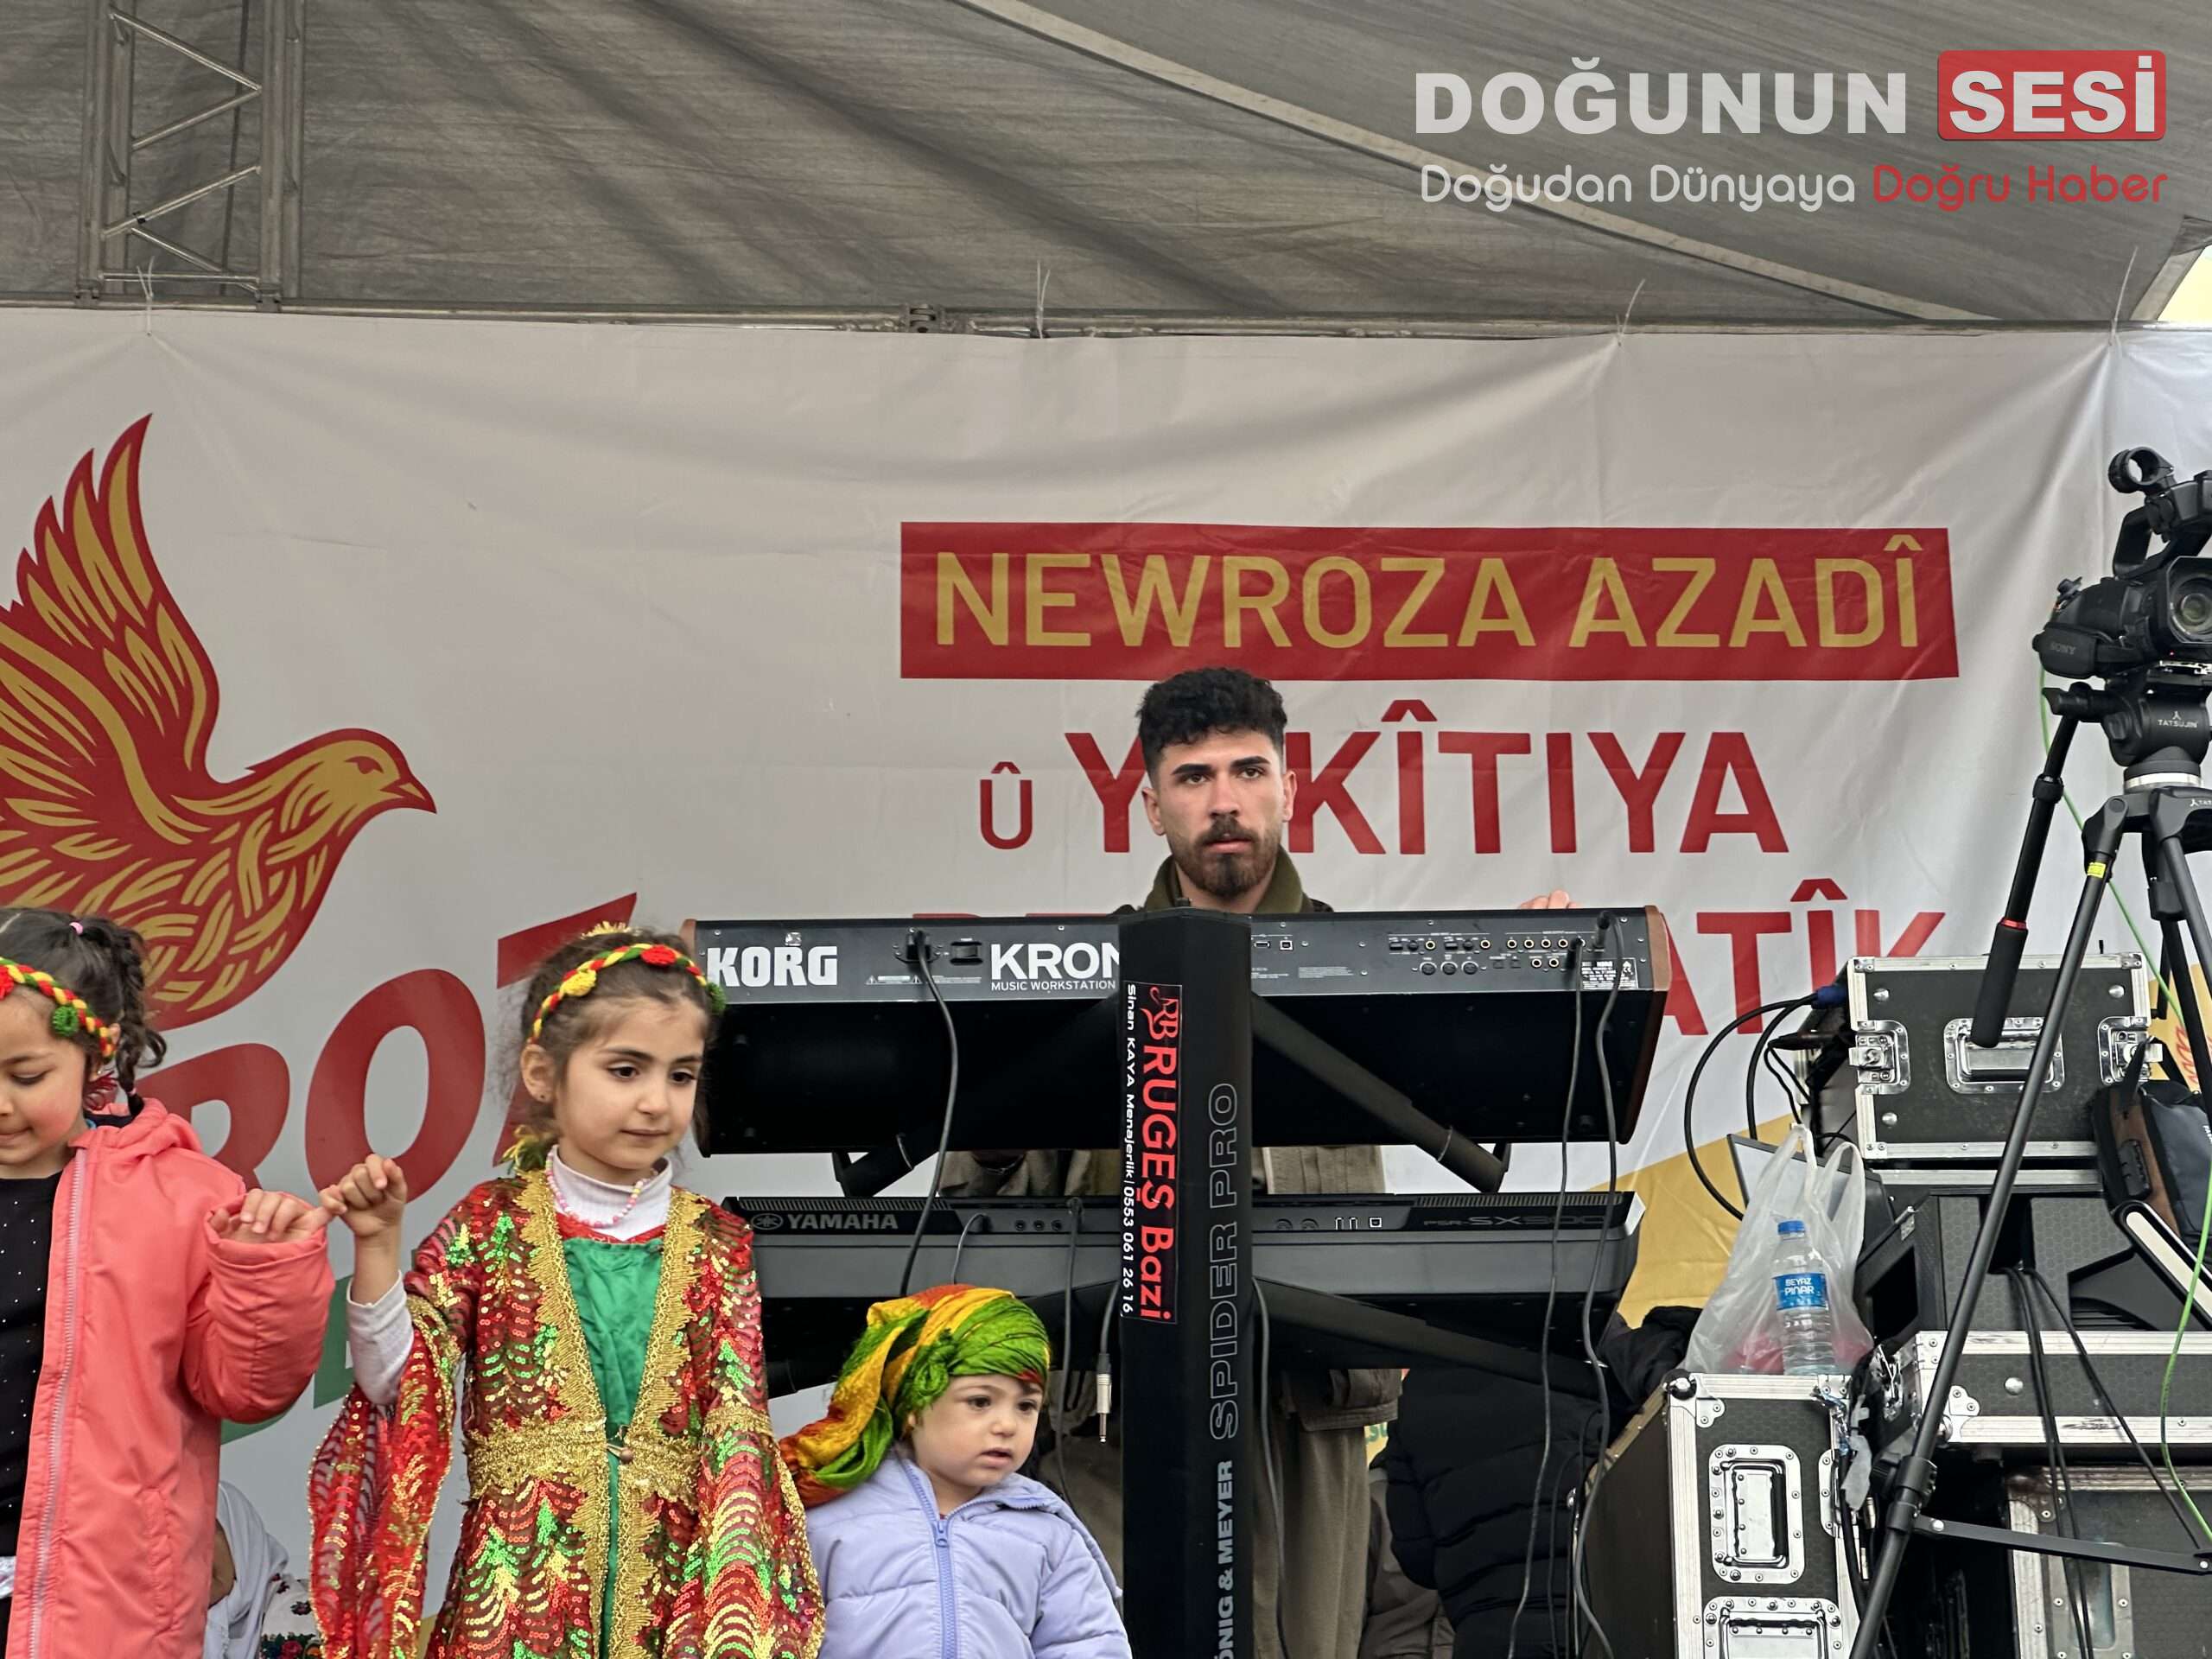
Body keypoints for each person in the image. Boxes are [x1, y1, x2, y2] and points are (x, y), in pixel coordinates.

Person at [944, 665, 1571, 1659]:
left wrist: (1527, 979)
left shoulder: (1372, 968)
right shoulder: (1078, 971)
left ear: (1290, 788)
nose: (1223, 801)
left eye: (1247, 771)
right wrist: (994, 1131)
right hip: (1113, 1424)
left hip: (1308, 1419)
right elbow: (970, 1203)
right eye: (1193, 777)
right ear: (1152, 805)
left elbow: (1501, 1102)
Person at [310, 924, 821, 1659]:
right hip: (514, 1603)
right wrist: (378, 1246)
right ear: (543, 1073)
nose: (656, 1102)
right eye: (626, 1070)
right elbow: (399, 1385)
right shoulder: (490, 1225)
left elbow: (739, 1442)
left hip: (669, 1607)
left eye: (681, 1075)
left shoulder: (719, 1244)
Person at [0, 907, 333, 1659]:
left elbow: (243, 1389)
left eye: (27, 1076)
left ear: (96, 1056)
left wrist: (266, 1275)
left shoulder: (186, 1195)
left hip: (102, 1600)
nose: (1, 1102)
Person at [781, 1284, 1126, 1659]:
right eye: (980, 1401)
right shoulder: (823, 1522)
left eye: (1026, 1406)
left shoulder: (1049, 1534)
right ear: (914, 1407)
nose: (1007, 1425)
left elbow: (1089, 1645)